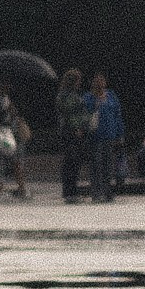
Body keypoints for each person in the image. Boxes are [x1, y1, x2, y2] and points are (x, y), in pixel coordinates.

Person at [56, 67, 95, 204]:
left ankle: (70, 191)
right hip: (72, 132)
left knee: (71, 162)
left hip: (69, 131)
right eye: (78, 80)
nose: (80, 83)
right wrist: (77, 128)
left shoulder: (67, 94)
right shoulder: (68, 96)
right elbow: (70, 114)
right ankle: (70, 192)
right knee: (72, 162)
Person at [90, 69, 126, 203]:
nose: (100, 83)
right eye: (97, 81)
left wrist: (120, 134)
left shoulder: (111, 95)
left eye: (102, 80)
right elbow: (87, 113)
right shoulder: (89, 97)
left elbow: (118, 115)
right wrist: (96, 103)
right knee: (96, 164)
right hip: (95, 136)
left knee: (108, 165)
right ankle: (96, 192)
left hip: (110, 135)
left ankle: (107, 192)